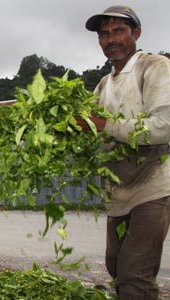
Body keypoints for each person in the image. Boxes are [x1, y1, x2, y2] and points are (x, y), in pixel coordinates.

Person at [82, 6, 170, 299]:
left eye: (118, 31)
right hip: (118, 191)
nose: (111, 39)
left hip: (153, 184)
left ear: (136, 33)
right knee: (116, 266)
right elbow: (91, 130)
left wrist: (103, 124)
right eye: (104, 34)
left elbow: (164, 127)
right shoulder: (104, 84)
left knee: (134, 272)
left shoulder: (154, 67)